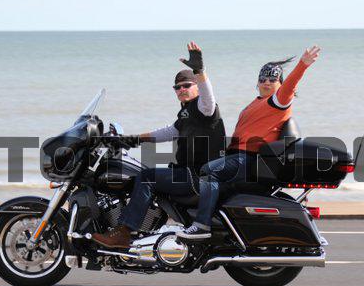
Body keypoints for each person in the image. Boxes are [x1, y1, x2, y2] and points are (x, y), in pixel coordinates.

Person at [177, 46, 321, 239]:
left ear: (280, 83)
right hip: (239, 157)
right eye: (262, 79)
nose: (266, 82)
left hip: (251, 159)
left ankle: (202, 225)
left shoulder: (278, 102)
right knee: (210, 181)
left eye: (272, 79)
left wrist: (303, 64)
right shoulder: (254, 104)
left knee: (210, 171)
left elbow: (291, 85)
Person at [92, 42, 226, 248]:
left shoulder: (205, 109)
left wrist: (200, 71)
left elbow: (209, 97)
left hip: (198, 176)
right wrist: (132, 139)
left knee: (147, 177)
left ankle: (125, 232)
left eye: (186, 85)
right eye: (177, 87)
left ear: (196, 87)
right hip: (189, 172)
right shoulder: (187, 113)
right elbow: (168, 132)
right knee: (142, 171)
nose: (181, 89)